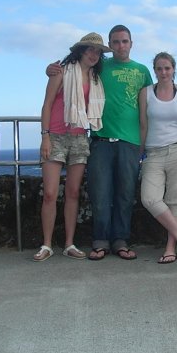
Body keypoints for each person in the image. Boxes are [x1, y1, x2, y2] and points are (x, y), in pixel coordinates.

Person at [47, 25, 152, 260]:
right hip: (100, 139)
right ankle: (101, 241)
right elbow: (74, 70)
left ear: (131, 43)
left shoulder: (143, 71)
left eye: (124, 41)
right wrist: (50, 69)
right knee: (100, 193)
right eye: (116, 42)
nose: (121, 46)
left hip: (130, 141)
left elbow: (152, 99)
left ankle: (121, 241)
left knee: (125, 195)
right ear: (110, 46)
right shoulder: (100, 67)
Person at [33, 32, 109, 262]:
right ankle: (47, 244)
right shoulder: (62, 71)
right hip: (56, 136)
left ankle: (69, 243)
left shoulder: (96, 79)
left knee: (73, 192)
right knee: (50, 193)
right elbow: (47, 105)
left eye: (98, 51)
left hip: (79, 137)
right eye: (90, 49)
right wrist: (45, 137)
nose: (94, 54)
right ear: (80, 51)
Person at [138, 52, 177, 263]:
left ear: (173, 69)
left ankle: (171, 248)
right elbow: (143, 125)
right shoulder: (145, 93)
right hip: (153, 153)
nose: (163, 72)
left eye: (167, 68)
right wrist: (140, 152)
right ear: (154, 70)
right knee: (149, 198)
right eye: (159, 68)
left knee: (176, 202)